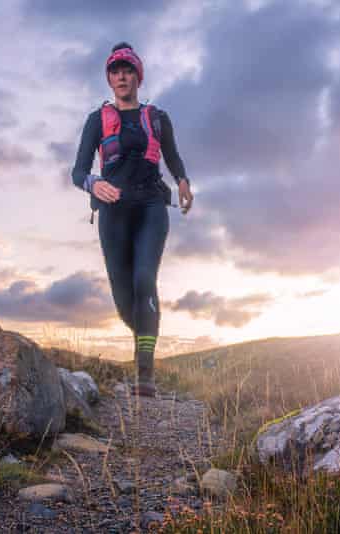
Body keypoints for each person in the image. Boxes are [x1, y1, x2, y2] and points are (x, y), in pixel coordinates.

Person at [71, 41, 194, 397]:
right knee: (124, 296)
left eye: (127, 70)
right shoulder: (97, 120)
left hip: (151, 206)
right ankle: (144, 332)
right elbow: (78, 171)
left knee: (144, 279)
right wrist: (94, 184)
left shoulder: (157, 117)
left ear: (137, 76)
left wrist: (183, 182)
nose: (121, 76)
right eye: (115, 71)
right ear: (109, 79)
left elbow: (171, 157)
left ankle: (145, 373)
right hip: (113, 212)